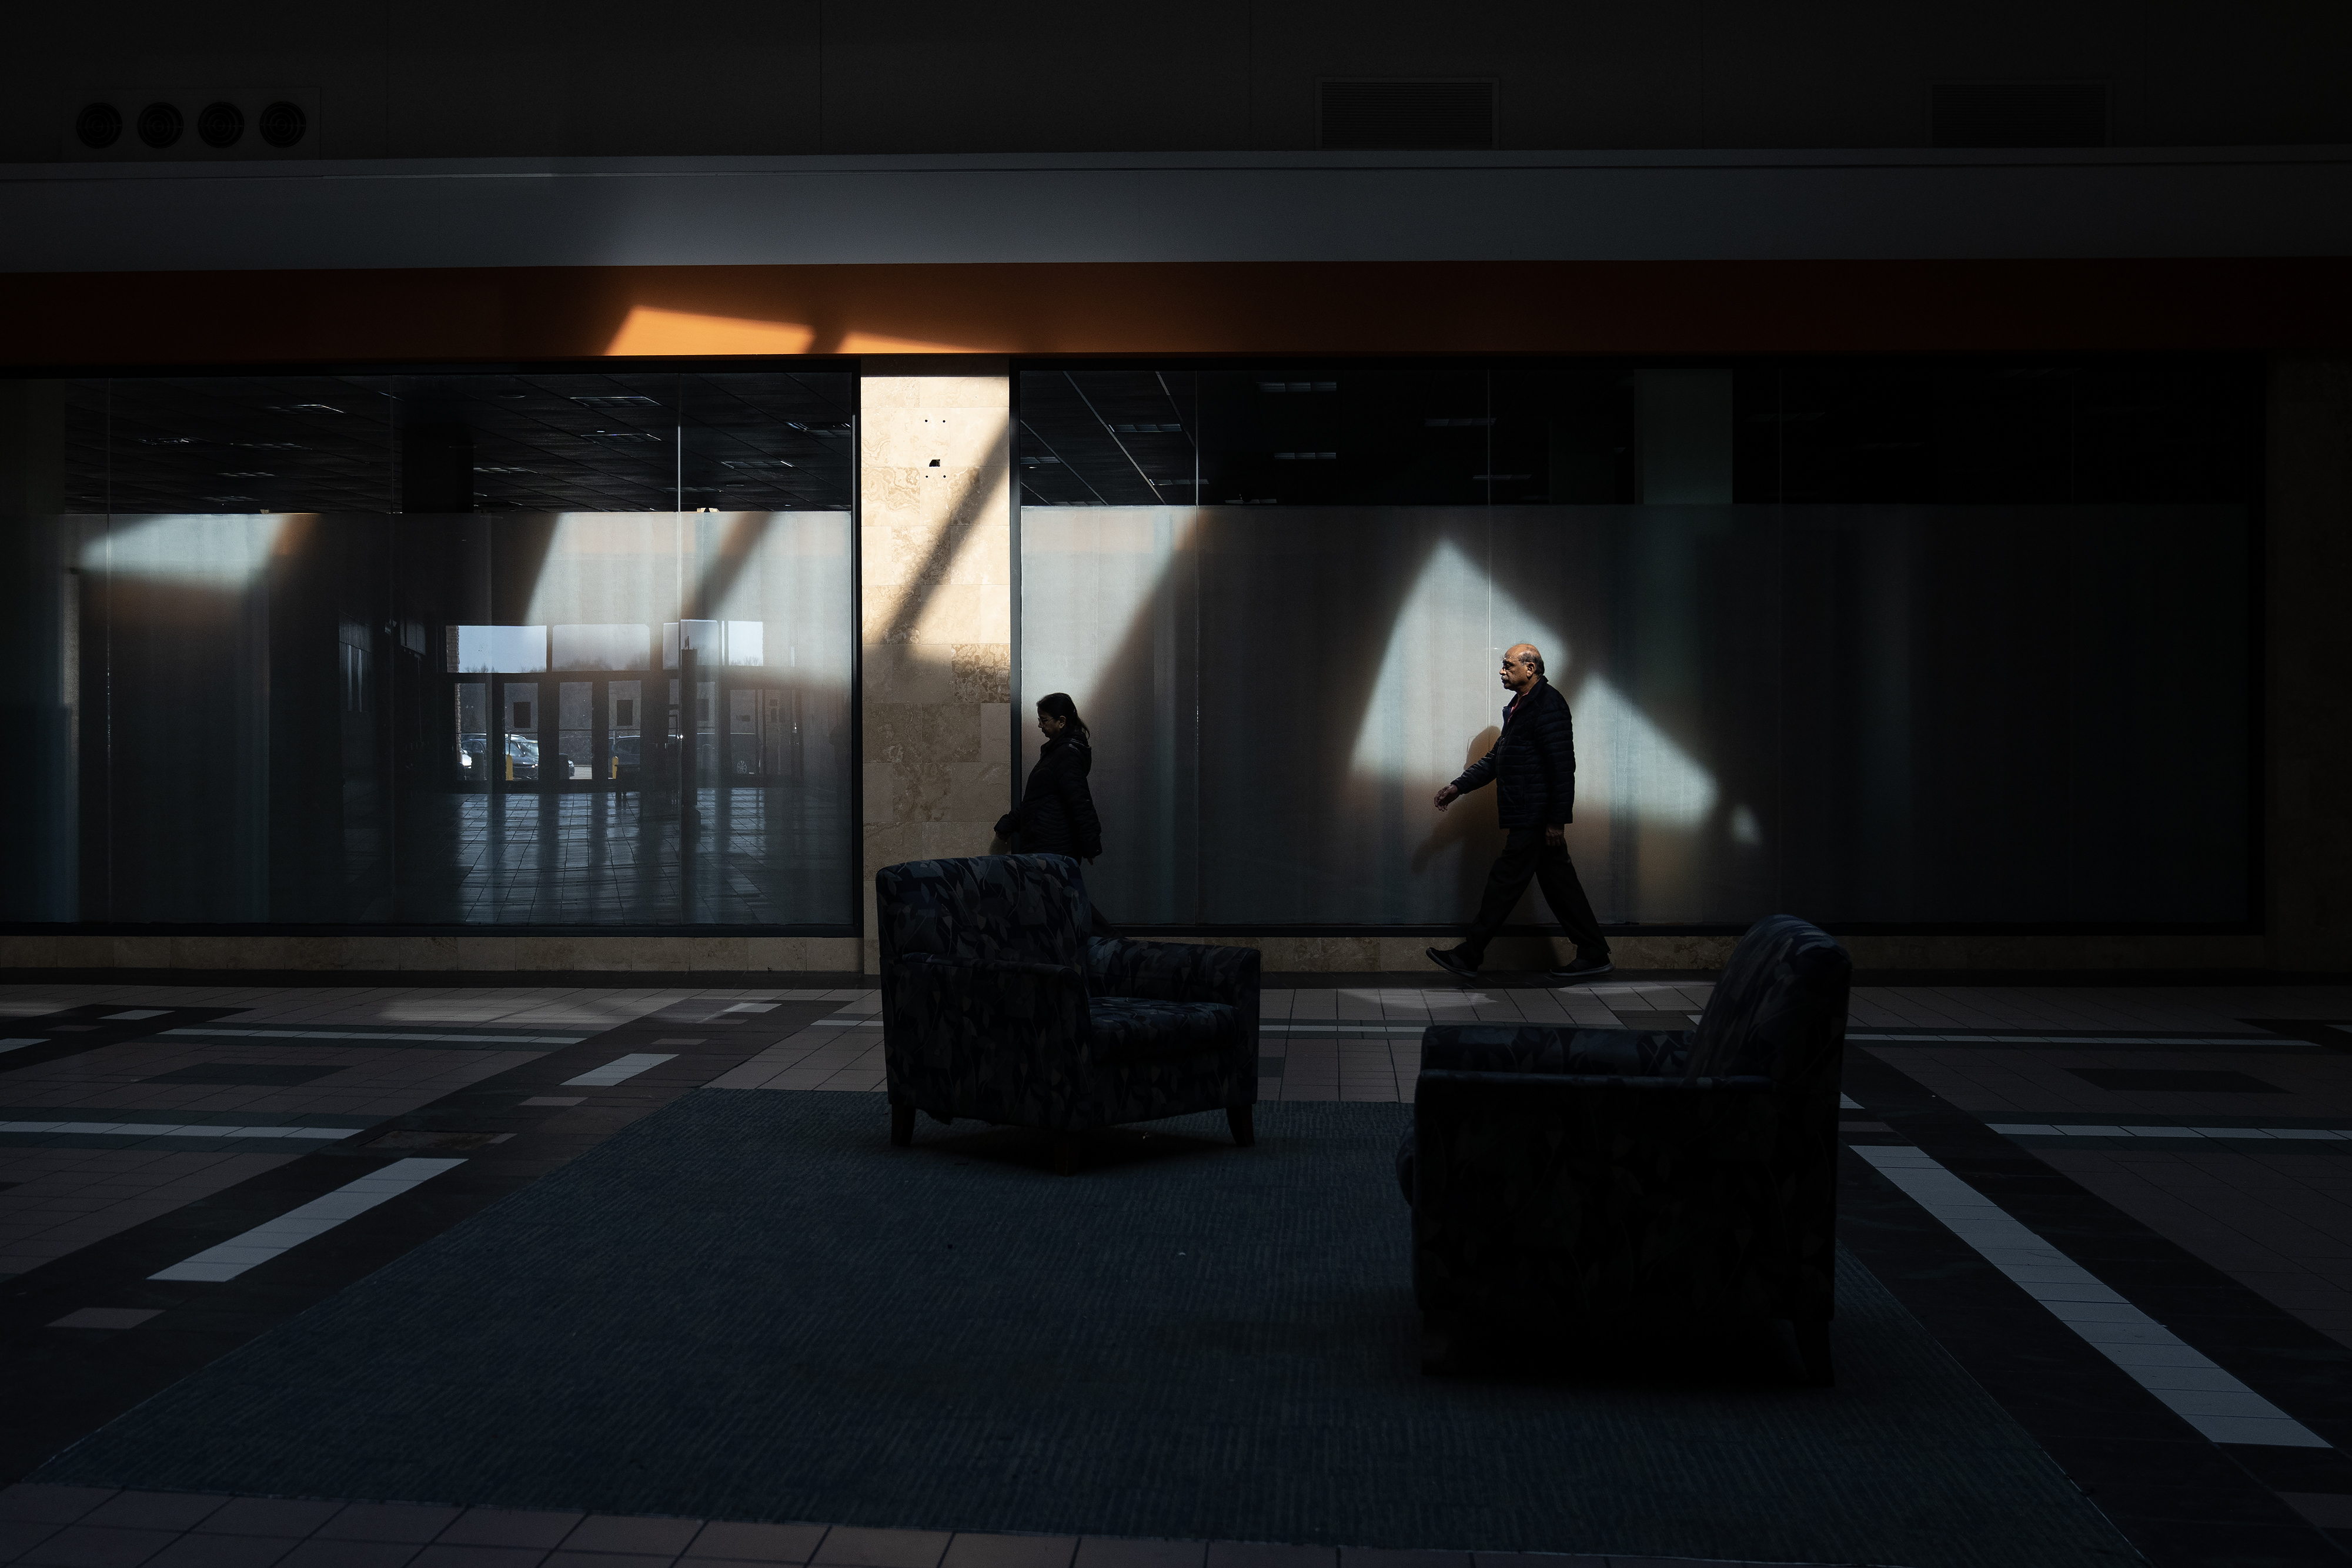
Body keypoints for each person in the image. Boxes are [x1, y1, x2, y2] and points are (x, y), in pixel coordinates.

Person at [1426, 643, 1612, 983]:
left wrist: (1556, 820)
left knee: (1505, 882)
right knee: (1561, 887)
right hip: (1530, 813)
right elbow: (1497, 759)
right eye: (1502, 665)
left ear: (1530, 669)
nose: (1501, 671)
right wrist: (1458, 787)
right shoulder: (1519, 707)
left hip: (1536, 816)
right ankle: (1594, 953)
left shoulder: (1548, 705)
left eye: (1508, 665)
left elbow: (1563, 766)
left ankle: (1470, 955)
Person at [994, 691, 1112, 932]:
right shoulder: (1056, 753)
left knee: (1065, 904)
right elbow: (1039, 800)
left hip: (1053, 846)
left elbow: (1080, 801)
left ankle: (1114, 945)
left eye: (1044, 720)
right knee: (1059, 905)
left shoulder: (1066, 755)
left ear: (1061, 721)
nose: (1039, 725)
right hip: (1045, 843)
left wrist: (1090, 844)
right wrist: (1009, 824)